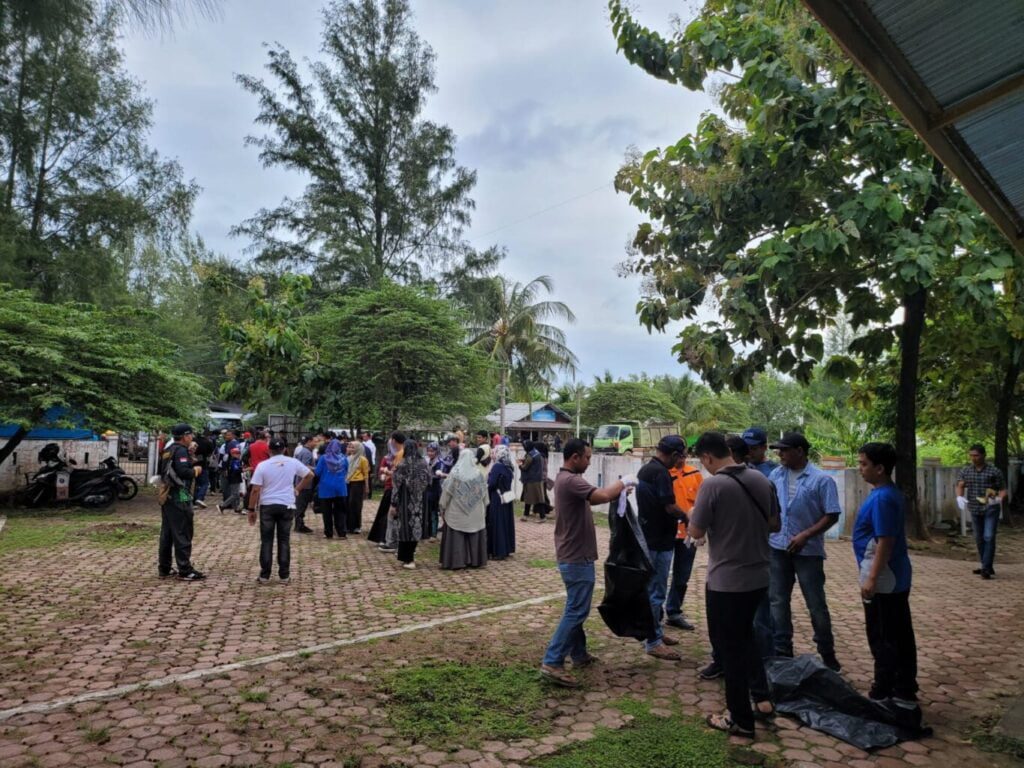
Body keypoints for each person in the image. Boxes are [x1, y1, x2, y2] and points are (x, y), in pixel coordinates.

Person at [689, 431, 780, 738]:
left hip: (727, 582)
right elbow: (775, 524)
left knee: (730, 650)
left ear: (706, 457)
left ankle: (740, 718)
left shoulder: (712, 484)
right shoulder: (761, 480)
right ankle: (763, 698)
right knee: (747, 637)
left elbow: (696, 529)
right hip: (759, 577)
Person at [539, 439, 626, 688]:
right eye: (587, 457)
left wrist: (619, 490)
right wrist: (625, 481)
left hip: (573, 555)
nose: (589, 461)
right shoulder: (572, 480)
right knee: (577, 609)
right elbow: (602, 496)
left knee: (575, 605)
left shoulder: (566, 479)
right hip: (576, 558)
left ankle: (578, 653)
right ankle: (553, 661)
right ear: (575, 457)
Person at [768, 432, 843, 671]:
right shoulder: (776, 475)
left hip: (808, 552)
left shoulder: (822, 480)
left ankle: (827, 653)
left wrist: (805, 535)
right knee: (778, 601)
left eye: (784, 450)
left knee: (816, 603)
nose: (780, 454)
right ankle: (782, 650)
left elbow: (831, 514)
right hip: (778, 548)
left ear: (800, 451)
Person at [854, 442, 918, 707]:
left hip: (885, 576)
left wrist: (871, 579)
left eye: (864, 464)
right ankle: (901, 685)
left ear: (880, 468)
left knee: (884, 634)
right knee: (896, 630)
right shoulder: (886, 493)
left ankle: (886, 689)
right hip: (888, 574)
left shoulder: (883, 498)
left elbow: (886, 541)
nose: (860, 469)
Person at [636, 435, 689, 660]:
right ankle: (654, 641)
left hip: (649, 536)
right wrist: (687, 516)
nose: (682, 461)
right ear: (675, 455)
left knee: (652, 590)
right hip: (658, 540)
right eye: (682, 456)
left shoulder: (647, 469)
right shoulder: (662, 474)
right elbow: (669, 507)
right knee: (656, 592)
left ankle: (655, 631)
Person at [248, 438, 313, 584]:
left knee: (266, 541)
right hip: (286, 505)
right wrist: (297, 489)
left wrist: (251, 509)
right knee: (284, 540)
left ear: (269, 450)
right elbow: (309, 475)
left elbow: (255, 489)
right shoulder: (292, 462)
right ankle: (284, 575)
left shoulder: (263, 465)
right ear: (284, 449)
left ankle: (264, 575)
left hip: (268, 505)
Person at [158, 424, 205, 581]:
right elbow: (184, 472)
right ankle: (185, 569)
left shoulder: (169, 449)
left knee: (167, 533)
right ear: (185, 436)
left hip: (167, 495)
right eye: (190, 435)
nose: (192, 437)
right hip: (180, 494)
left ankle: (164, 567)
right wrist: (196, 470)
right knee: (183, 531)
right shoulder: (180, 450)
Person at [665, 447, 703, 631]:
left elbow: (702, 503)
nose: (681, 458)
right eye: (677, 455)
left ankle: (674, 611)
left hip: (688, 533)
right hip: (666, 532)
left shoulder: (695, 474)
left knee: (682, 575)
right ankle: (654, 612)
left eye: (683, 455)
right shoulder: (663, 474)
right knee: (660, 573)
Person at [956, 443, 1006, 579]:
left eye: (976, 455)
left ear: (984, 455)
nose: (974, 458)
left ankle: (985, 568)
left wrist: (999, 499)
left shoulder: (994, 471)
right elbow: (960, 484)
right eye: (971, 455)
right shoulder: (966, 471)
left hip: (991, 507)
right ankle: (987, 565)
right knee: (978, 538)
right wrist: (959, 496)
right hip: (974, 508)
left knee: (988, 536)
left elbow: (1002, 489)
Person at [439, 450, 488, 569]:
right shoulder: (478, 474)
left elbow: (446, 493)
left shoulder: (454, 474)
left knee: (457, 534)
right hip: (475, 513)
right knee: (474, 532)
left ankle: (456, 561)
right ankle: (475, 560)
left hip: (456, 512)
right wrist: (484, 507)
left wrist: (442, 506)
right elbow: (485, 496)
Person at [390, 439, 430, 569]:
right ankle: (410, 555)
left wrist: (393, 504)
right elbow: (429, 480)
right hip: (420, 502)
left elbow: (396, 486)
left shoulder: (403, 464)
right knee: (416, 529)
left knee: (405, 529)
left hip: (405, 501)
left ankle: (408, 558)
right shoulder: (423, 463)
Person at [368, 433, 405, 550]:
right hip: (389, 487)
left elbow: (398, 474)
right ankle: (384, 537)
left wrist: (388, 473)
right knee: (386, 514)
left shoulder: (402, 455)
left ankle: (390, 540)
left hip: (395, 488)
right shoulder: (388, 457)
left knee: (391, 514)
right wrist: (383, 473)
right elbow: (381, 471)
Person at [314, 438, 349, 539]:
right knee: (340, 511)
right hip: (340, 488)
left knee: (327, 512)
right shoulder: (344, 458)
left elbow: (317, 472)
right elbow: (346, 470)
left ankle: (328, 533)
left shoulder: (324, 458)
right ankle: (342, 533)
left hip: (326, 488)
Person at [487, 444, 517, 560]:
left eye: (494, 452)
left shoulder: (497, 466)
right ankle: (506, 548)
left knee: (497, 523)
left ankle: (499, 550)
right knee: (506, 523)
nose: (492, 454)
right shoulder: (508, 466)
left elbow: (492, 483)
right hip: (507, 497)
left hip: (497, 498)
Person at [291, 436, 316, 533]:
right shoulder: (307, 453)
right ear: (309, 441)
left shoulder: (303, 451)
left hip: (301, 482)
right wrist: (315, 468)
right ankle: (299, 525)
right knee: (301, 504)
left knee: (300, 504)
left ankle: (299, 524)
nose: (316, 443)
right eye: (315, 441)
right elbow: (304, 467)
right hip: (304, 483)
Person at [345, 440, 371, 534]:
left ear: (358, 448)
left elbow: (366, 474)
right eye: (350, 447)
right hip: (348, 483)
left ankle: (356, 526)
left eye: (353, 447)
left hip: (357, 483)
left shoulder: (362, 459)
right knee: (348, 504)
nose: (351, 449)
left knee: (356, 504)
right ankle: (348, 526)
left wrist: (367, 486)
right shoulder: (348, 458)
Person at [424, 442, 447, 540]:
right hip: (426, 489)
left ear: (436, 451)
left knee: (433, 512)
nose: (430, 453)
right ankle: (426, 532)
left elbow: (439, 476)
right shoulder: (426, 460)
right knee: (426, 511)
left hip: (435, 490)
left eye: (432, 451)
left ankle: (433, 533)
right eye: (428, 451)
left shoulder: (439, 462)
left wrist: (429, 477)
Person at [519, 441, 546, 521]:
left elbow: (525, 467)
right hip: (538, 479)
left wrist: (520, 465)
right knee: (539, 498)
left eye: (524, 446)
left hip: (531, 480)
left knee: (528, 497)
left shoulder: (530, 455)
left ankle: (527, 515)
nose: (524, 448)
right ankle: (541, 516)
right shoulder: (537, 453)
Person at [217, 447, 244, 514]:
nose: (238, 454)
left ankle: (236, 508)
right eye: (236, 453)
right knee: (235, 494)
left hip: (233, 478)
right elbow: (237, 470)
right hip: (234, 479)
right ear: (232, 454)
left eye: (238, 453)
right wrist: (247, 469)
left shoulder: (233, 460)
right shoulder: (234, 461)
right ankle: (222, 505)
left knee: (236, 494)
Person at [362, 432, 377, 500]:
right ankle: (367, 494)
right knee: (368, 479)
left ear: (368, 437)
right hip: (369, 462)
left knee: (368, 478)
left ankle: (368, 494)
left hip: (369, 462)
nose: (363, 438)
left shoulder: (369, 444)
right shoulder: (367, 444)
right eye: (363, 436)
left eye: (365, 436)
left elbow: (368, 455)